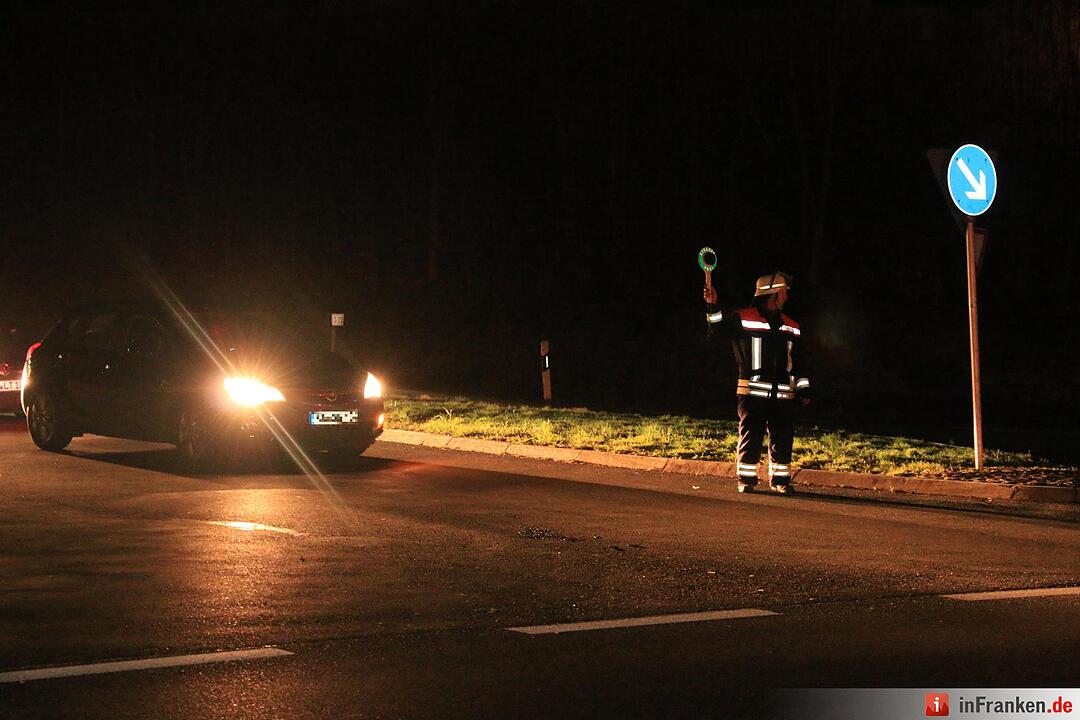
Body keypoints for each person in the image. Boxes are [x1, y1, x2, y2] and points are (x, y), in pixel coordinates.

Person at [703, 271, 811, 494]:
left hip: (783, 395)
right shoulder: (742, 318)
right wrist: (712, 306)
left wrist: (804, 390)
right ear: (771, 294)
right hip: (752, 393)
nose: (786, 298)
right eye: (783, 293)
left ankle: (780, 481)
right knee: (751, 436)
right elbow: (718, 330)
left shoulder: (791, 326)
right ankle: (746, 480)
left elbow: (799, 362)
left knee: (782, 438)